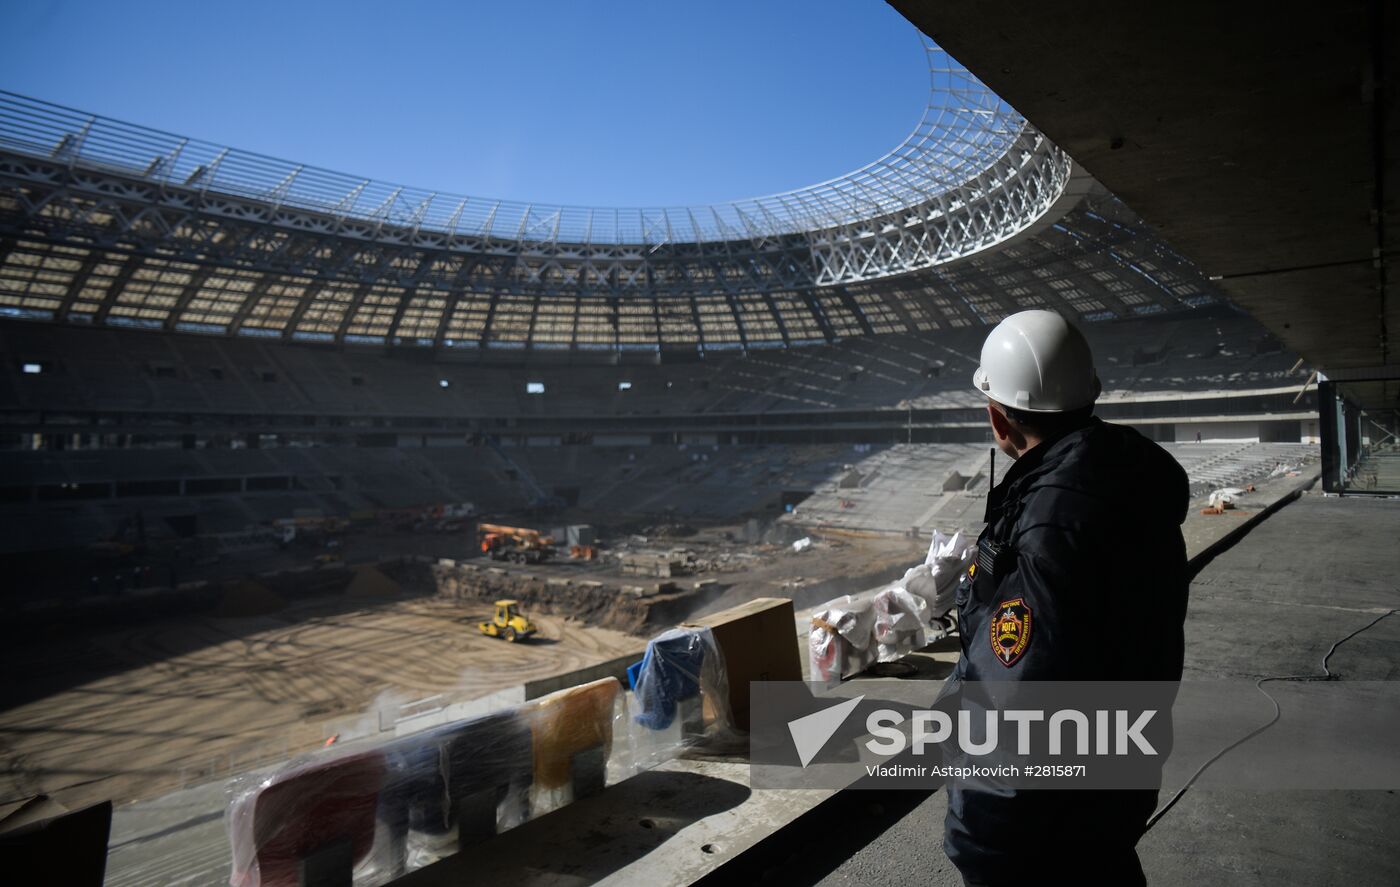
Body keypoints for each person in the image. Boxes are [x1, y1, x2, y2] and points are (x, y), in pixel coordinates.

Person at [941, 310, 1189, 886]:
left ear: (998, 420)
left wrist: (976, 839)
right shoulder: (1121, 482)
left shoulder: (1051, 522)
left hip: (1040, 826)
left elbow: (1017, 699)